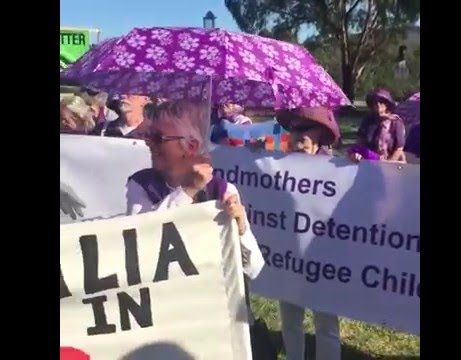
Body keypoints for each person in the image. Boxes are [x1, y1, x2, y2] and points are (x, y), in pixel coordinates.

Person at [124, 99, 271, 358]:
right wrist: (187, 191)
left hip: (210, 321)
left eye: (158, 138)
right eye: (149, 135)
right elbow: (141, 239)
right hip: (161, 317)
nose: (149, 143)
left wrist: (241, 228)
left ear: (190, 146)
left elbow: (254, 269)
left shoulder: (222, 190)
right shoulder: (141, 185)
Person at [274, 106, 342, 360]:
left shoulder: (338, 170)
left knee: (326, 324)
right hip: (288, 257)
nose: (296, 135)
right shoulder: (279, 165)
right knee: (290, 319)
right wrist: (254, 157)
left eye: (304, 129)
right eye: (293, 128)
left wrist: (358, 166)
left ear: (321, 136)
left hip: (323, 261)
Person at [349, 89, 406, 163]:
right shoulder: (368, 120)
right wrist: (356, 154)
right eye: (375, 102)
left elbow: (399, 148)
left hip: (392, 164)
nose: (378, 104)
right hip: (369, 163)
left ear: (387, 104)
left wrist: (388, 165)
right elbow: (360, 142)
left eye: (381, 102)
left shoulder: (395, 122)